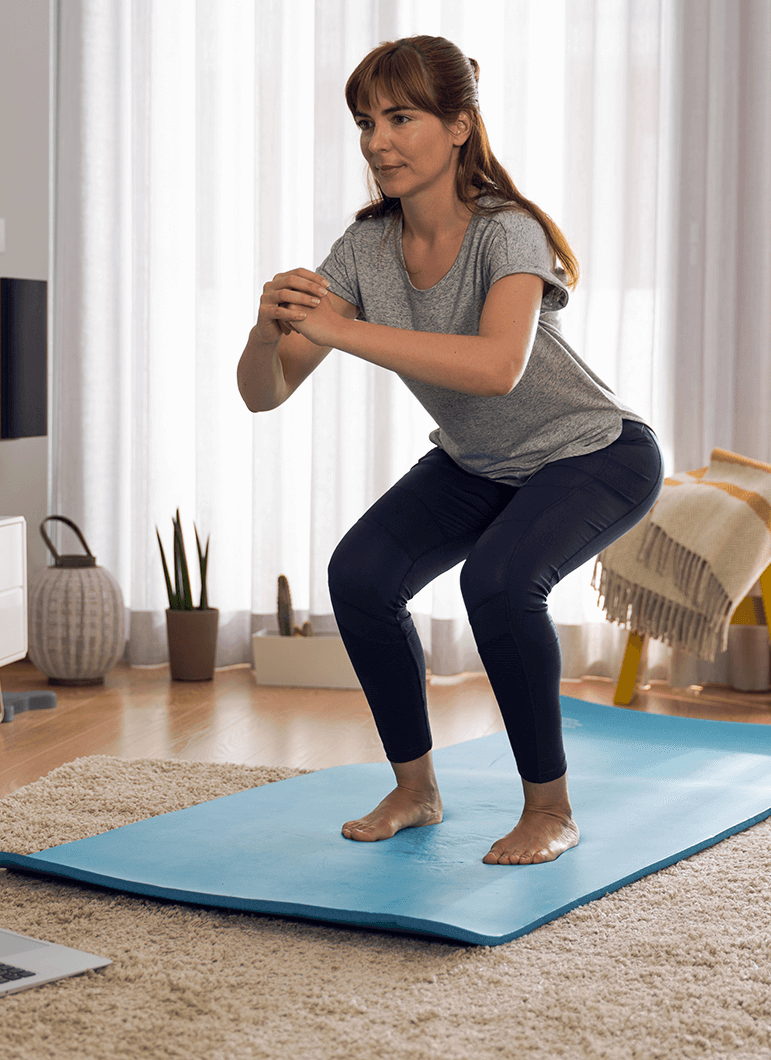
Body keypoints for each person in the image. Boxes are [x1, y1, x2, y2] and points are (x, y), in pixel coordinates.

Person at [235, 36, 662, 866]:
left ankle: (549, 809)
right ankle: (416, 788)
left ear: (460, 125)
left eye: (401, 118)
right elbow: (266, 390)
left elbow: (498, 368)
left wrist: (346, 329)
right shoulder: (364, 249)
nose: (377, 142)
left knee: (499, 583)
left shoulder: (510, 233)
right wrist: (265, 330)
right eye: (366, 122)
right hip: (480, 464)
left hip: (594, 452)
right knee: (360, 576)